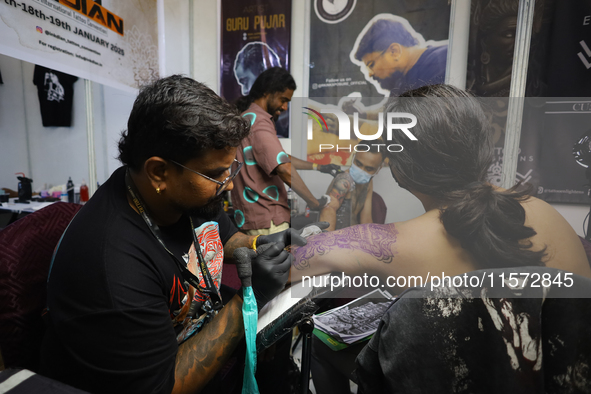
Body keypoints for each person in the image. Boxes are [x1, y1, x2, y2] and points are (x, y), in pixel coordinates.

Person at [291, 84, 591, 394]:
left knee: (322, 346)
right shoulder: (547, 214)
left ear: (399, 168)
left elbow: (288, 263)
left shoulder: (386, 243)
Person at [39, 75, 312, 394]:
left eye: (230, 168)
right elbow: (163, 386)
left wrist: (256, 244)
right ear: (159, 172)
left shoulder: (183, 193)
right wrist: (245, 304)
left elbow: (222, 239)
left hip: (191, 328)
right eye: (214, 174)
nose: (227, 182)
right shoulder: (111, 263)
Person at [232, 67, 338, 235]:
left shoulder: (247, 118)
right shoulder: (260, 121)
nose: (285, 107)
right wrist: (314, 203)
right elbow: (283, 167)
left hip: (252, 218)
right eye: (283, 100)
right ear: (268, 92)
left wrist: (319, 167)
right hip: (268, 221)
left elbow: (278, 157)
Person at [351, 15, 448, 97]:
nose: (370, 74)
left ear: (394, 51)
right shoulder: (402, 80)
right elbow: (390, 112)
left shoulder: (442, 62)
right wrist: (362, 113)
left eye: (371, 65)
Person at [320, 147, 386, 231]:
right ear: (353, 157)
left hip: (353, 237)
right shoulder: (344, 181)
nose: (361, 171)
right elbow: (328, 209)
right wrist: (328, 242)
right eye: (358, 164)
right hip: (336, 238)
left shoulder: (368, 182)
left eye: (369, 169)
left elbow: (366, 220)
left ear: (379, 168)